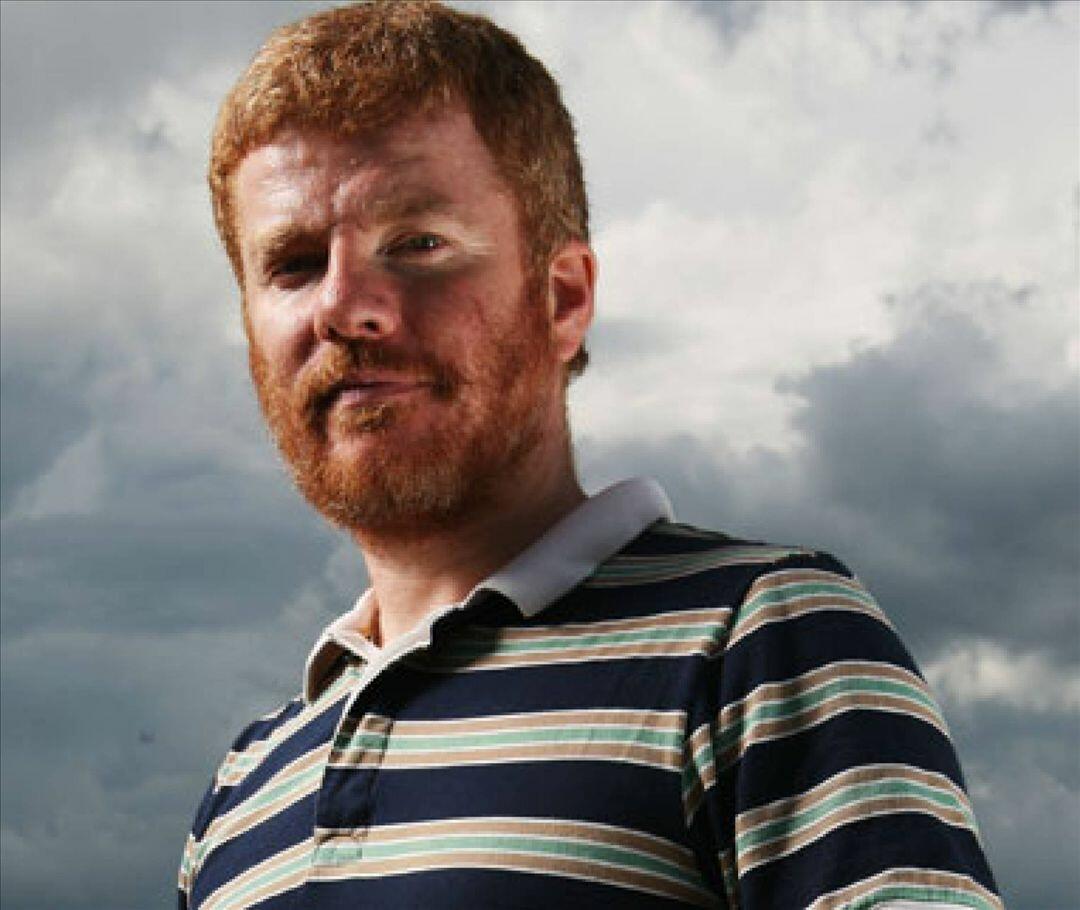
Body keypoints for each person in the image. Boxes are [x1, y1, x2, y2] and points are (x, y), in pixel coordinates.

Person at [179, 3, 1001, 908]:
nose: (344, 308)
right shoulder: (241, 795)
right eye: (293, 264)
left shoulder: (762, 640)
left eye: (417, 245)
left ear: (563, 299)